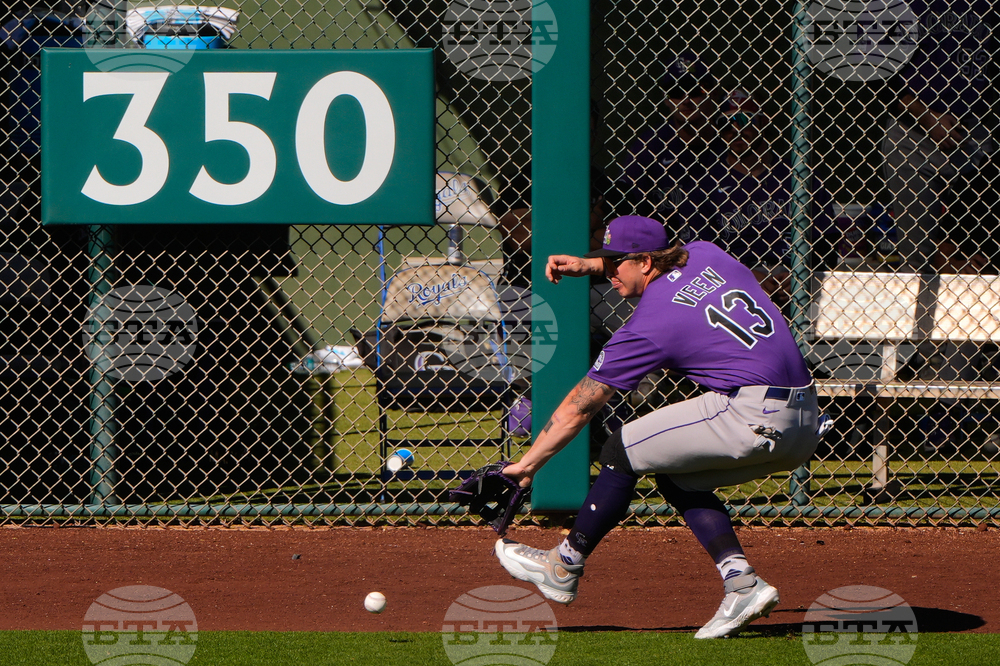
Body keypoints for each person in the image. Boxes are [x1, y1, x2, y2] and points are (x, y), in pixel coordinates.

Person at [493, 215, 820, 639]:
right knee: (678, 476)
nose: (609, 273)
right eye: (604, 263)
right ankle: (742, 584)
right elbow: (674, 261)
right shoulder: (707, 253)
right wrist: (587, 265)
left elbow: (578, 409)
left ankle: (564, 564)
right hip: (806, 421)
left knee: (619, 450)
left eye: (615, 264)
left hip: (750, 412)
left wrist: (528, 465)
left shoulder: (649, 324)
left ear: (646, 262)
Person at [676, 89, 837, 307]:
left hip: (797, 277)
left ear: (763, 121)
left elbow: (827, 240)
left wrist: (801, 274)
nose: (735, 130)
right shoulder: (704, 185)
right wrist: (743, 276)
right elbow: (695, 254)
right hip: (732, 286)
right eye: (725, 124)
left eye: (743, 119)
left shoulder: (798, 176)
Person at [881, 0, 996, 274]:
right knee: (919, 249)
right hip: (912, 128)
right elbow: (878, 76)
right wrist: (925, 115)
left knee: (980, 245)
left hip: (975, 126)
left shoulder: (988, 6)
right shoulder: (902, 6)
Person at [618, 51, 719, 221]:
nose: (685, 99)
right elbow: (625, 215)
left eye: (695, 90)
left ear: (713, 93)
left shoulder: (730, 140)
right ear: (666, 99)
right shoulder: (649, 147)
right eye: (676, 92)